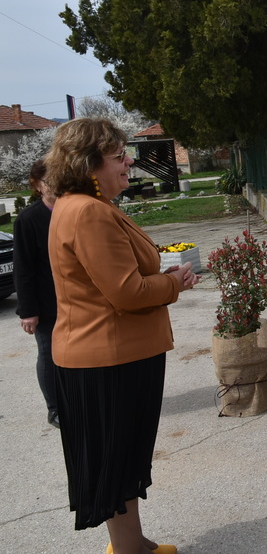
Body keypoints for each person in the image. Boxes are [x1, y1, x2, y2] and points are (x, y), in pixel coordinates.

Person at [46, 118, 199, 554]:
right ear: (88, 164)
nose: (129, 161)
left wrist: (163, 280)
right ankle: (129, 550)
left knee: (123, 461)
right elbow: (127, 293)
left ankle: (132, 544)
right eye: (118, 156)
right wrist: (173, 283)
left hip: (108, 354)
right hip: (109, 358)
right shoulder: (88, 212)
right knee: (117, 462)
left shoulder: (81, 206)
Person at [14, 159, 59, 428]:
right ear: (37, 185)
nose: (54, 185)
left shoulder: (72, 210)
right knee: (49, 353)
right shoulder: (29, 219)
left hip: (75, 298)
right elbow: (23, 268)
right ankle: (55, 408)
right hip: (46, 302)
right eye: (48, 181)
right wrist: (28, 311)